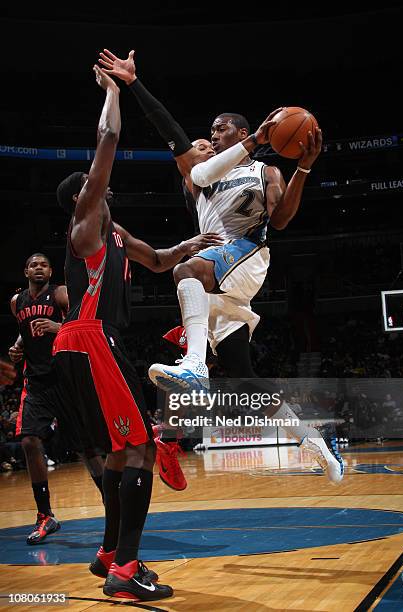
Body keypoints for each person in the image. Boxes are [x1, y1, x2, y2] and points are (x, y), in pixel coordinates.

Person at [98, 49, 344, 485]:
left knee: (185, 272)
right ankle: (314, 444)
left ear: (244, 131)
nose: (210, 134)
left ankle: (189, 381)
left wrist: (303, 165)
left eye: (219, 127)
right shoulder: (200, 171)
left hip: (246, 254)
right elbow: (168, 128)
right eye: (208, 131)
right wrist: (135, 85)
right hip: (219, 274)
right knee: (247, 380)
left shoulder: (266, 170)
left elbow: (282, 219)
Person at [53, 65, 220, 602]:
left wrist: (195, 244)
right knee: (143, 449)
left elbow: (158, 259)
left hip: (92, 342)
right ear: (85, 198)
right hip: (90, 338)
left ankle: (109, 554)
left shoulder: (115, 235)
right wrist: (112, 92)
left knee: (124, 453)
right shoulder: (85, 225)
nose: (103, 187)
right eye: (95, 187)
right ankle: (126, 572)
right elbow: (108, 137)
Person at [8, 253, 105, 544]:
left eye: (44, 264)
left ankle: (113, 505)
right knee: (28, 441)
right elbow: (25, 333)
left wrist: (57, 328)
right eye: (33, 264)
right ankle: (45, 516)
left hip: (66, 379)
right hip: (36, 381)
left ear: (50, 271)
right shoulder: (17, 302)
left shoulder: (60, 294)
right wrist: (16, 347)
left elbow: (85, 326)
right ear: (25, 270)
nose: (38, 268)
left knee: (86, 449)